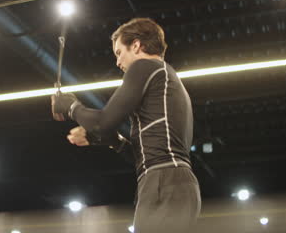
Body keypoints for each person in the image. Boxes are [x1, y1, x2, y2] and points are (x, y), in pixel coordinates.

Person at [51, 18, 201, 233]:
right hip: (172, 182)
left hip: (164, 182)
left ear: (137, 45)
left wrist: (71, 107)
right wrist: (107, 139)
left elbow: (103, 122)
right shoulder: (164, 77)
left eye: (119, 52)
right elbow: (139, 155)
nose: (118, 62)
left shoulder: (146, 66)